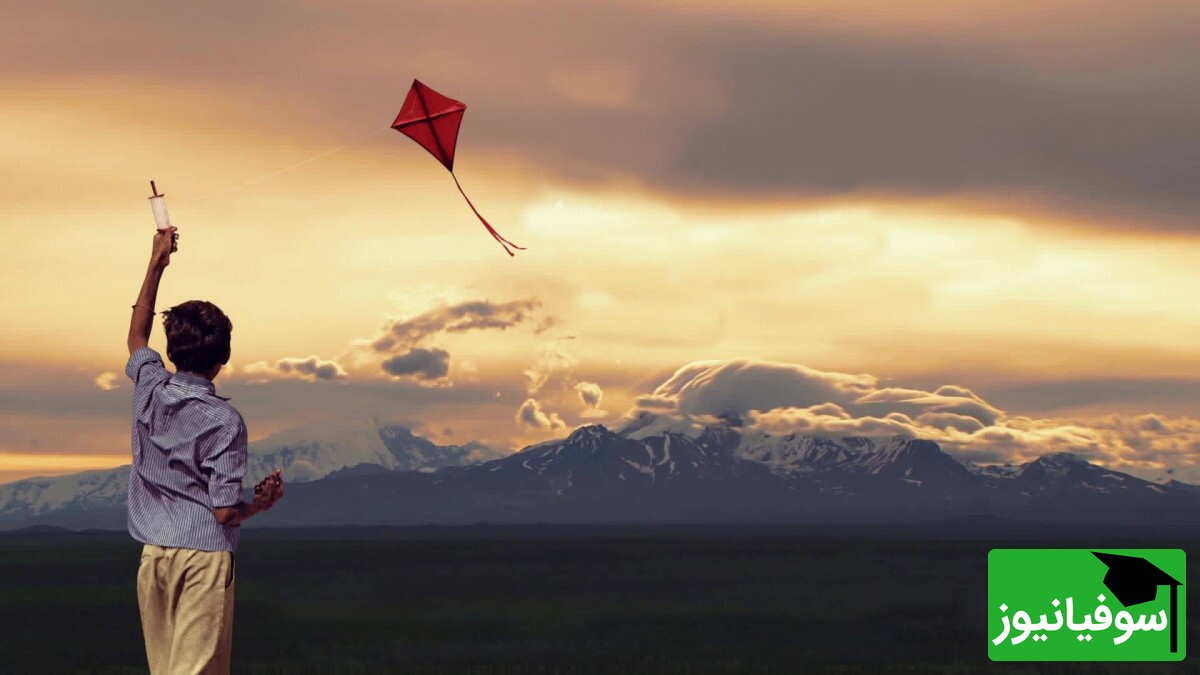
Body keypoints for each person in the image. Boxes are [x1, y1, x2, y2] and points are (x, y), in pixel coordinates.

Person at [126, 225, 285, 674]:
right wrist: (260, 505)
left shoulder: (150, 387)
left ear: (172, 349)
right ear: (224, 358)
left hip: (153, 556)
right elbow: (223, 514)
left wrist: (157, 262)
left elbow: (137, 337)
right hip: (203, 558)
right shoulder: (224, 421)